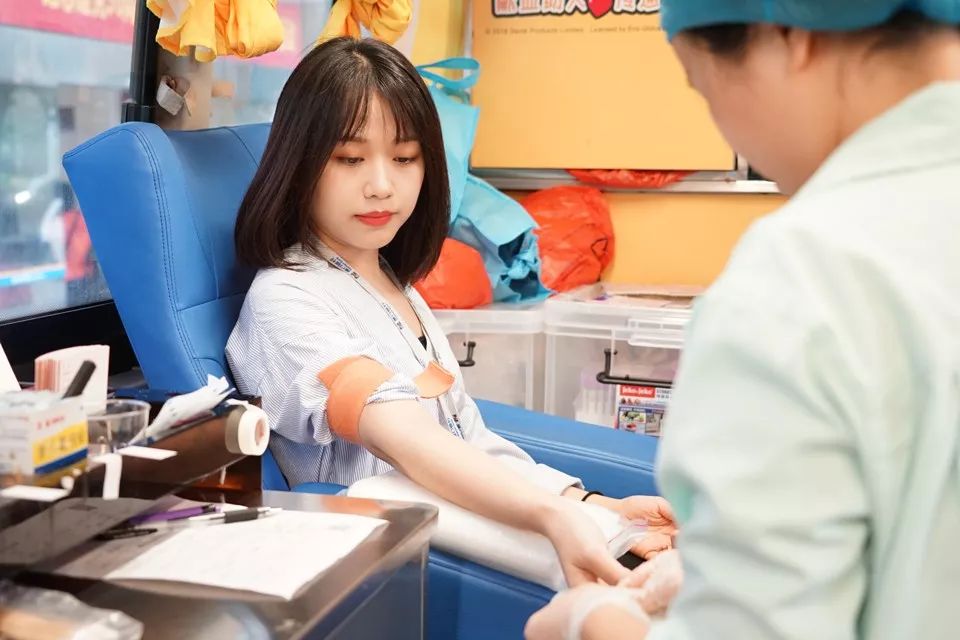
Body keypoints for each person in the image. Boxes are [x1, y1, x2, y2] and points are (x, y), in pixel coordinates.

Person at [525, 2, 960, 639]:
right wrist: (732, 566)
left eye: (704, 89)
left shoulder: (804, 276)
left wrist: (592, 621)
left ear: (790, 33)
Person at [225, 36, 676, 588]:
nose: (381, 186)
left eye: (404, 158)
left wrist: (593, 504)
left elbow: (466, 440)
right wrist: (559, 518)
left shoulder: (388, 281)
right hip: (384, 556)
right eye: (349, 159)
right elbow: (404, 440)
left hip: (463, 520)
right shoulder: (284, 299)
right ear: (299, 165)